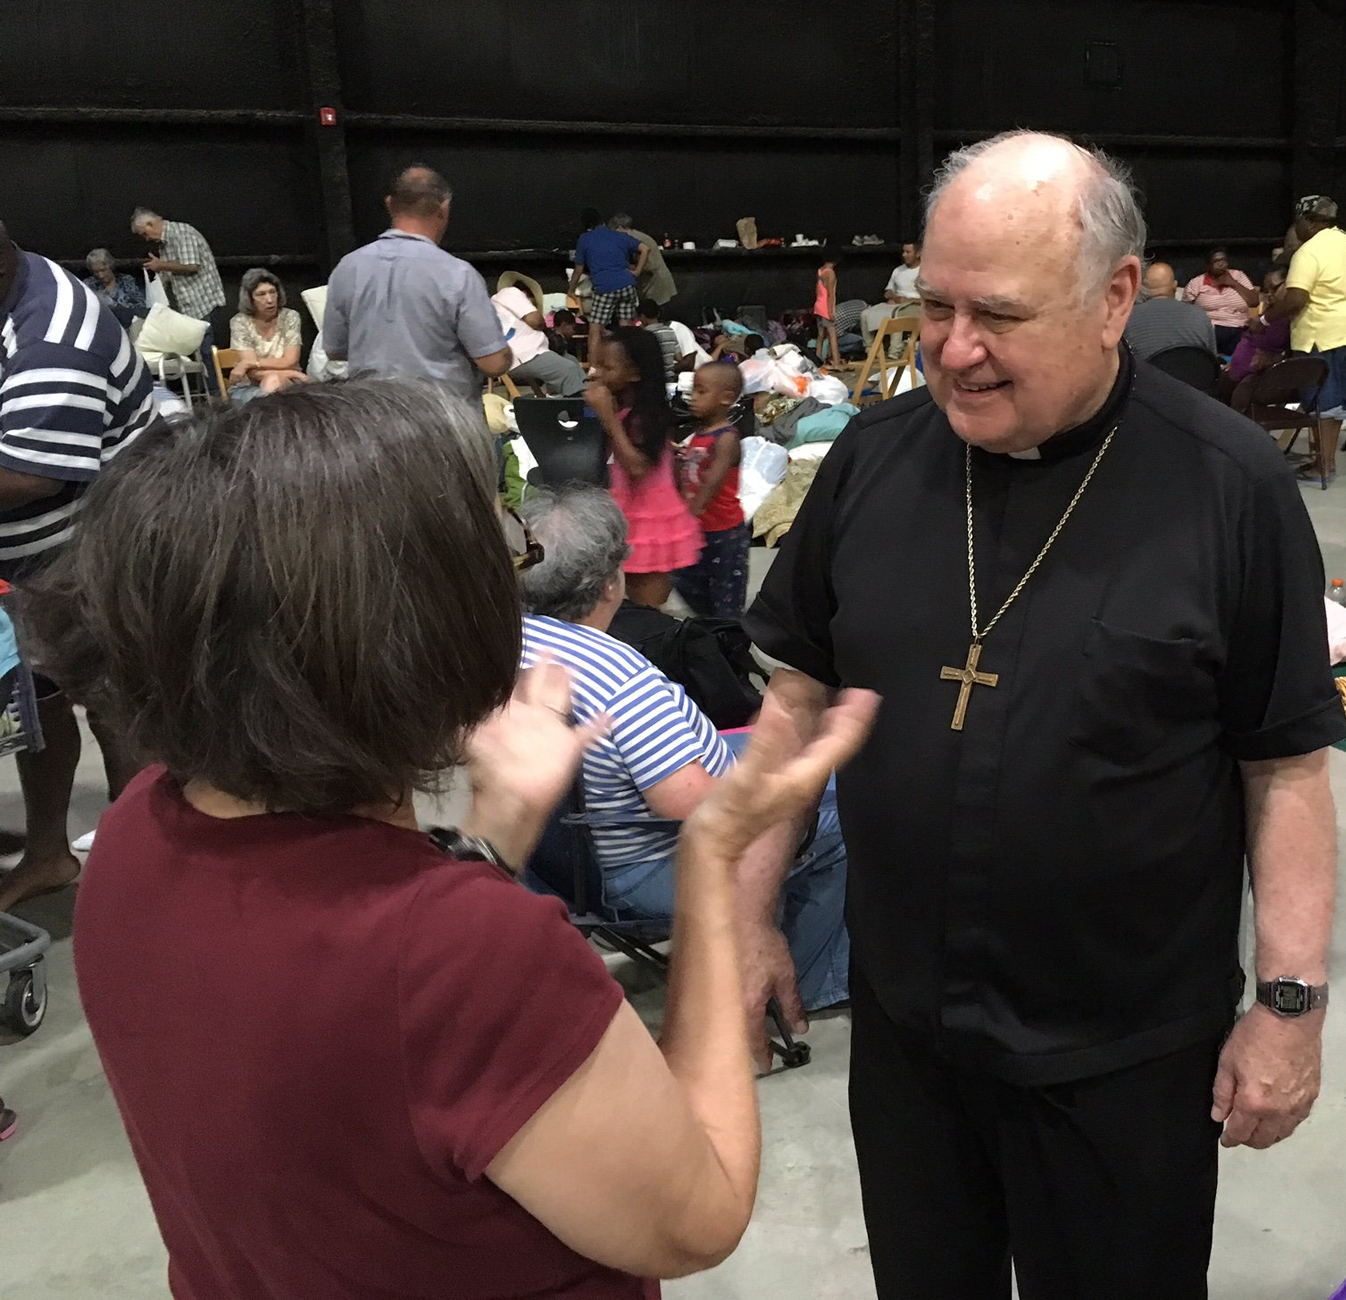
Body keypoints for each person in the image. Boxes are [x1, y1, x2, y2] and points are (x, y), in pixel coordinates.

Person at [33, 377, 875, 1297]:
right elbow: (698, 1212)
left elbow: (362, 1044)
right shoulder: (465, 952)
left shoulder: (135, 833)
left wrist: (492, 843)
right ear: (429, 628)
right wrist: (716, 864)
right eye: (502, 560)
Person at [744, 131, 1344, 1299]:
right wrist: (746, 912)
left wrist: (1288, 1007)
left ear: (1115, 297)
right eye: (936, 306)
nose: (953, 352)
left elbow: (1286, 769)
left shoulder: (1229, 491)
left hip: (1122, 1054)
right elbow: (796, 705)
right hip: (910, 1033)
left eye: (1000, 317)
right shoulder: (871, 463)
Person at [516, 482, 850, 1007]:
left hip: (557, 856)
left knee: (816, 769)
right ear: (610, 582)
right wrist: (785, 782)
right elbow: (688, 801)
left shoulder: (515, 642)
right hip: (638, 866)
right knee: (852, 810)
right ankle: (810, 981)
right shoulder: (617, 674)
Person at [0, 220, 156, 914]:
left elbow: (27, 472)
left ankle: (143, 870)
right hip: (27, 551)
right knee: (38, 698)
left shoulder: (53, 332)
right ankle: (47, 853)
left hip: (96, 537)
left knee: (115, 701)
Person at [321, 166, 512, 411]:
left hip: (370, 420)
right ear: (444, 209)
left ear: (389, 204)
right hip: (444, 422)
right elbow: (494, 364)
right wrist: (508, 352)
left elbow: (336, 351)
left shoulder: (347, 268)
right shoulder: (458, 274)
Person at [585, 326, 700, 606]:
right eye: (595, 364)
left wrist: (609, 419)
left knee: (647, 607)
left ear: (635, 373)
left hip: (651, 518)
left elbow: (638, 468)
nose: (594, 373)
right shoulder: (625, 412)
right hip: (627, 511)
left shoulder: (648, 416)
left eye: (606, 367)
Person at [1266, 194, 1346, 487]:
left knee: (1321, 402)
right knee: (1339, 402)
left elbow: (1297, 298)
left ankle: (1324, 467)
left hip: (1323, 333)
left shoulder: (1308, 252)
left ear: (1308, 221)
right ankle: (1326, 460)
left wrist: (1265, 319)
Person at [673, 363, 751, 619]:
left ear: (726, 398)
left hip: (724, 534)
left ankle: (730, 645)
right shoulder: (697, 435)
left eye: (701, 392)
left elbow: (713, 481)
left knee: (726, 597)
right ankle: (712, 629)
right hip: (698, 530)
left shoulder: (726, 437)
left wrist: (690, 515)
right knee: (684, 581)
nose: (693, 398)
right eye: (693, 391)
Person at [132, 206, 228, 391]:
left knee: (208, 353)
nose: (146, 239)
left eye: (145, 233)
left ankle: (218, 395)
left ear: (151, 224)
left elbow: (192, 266)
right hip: (190, 306)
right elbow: (169, 273)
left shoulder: (182, 233)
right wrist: (158, 281)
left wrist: (162, 265)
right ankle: (208, 394)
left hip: (204, 301)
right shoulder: (165, 244)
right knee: (200, 355)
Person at [572, 214, 650, 365]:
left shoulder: (585, 239)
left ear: (587, 227)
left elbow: (578, 269)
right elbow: (645, 249)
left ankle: (594, 366)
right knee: (626, 328)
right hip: (627, 285)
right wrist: (637, 272)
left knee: (595, 328)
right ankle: (626, 363)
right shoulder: (619, 236)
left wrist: (571, 289)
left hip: (604, 287)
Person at [225, 268, 307, 404]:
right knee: (273, 383)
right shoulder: (239, 322)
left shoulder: (290, 317)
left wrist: (251, 363)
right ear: (249, 299)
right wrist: (294, 373)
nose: (269, 300)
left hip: (291, 385)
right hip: (251, 387)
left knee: (274, 383)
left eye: (272, 292)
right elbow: (253, 374)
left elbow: (290, 360)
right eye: (261, 294)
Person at [492, 280, 584, 396]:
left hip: (523, 354)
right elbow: (536, 321)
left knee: (571, 360)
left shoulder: (500, 306)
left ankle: (582, 399)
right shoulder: (510, 292)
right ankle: (578, 410)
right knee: (568, 369)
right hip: (525, 355)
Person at [1217, 267, 1291, 406]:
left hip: (1263, 373)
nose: (1269, 294)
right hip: (1238, 369)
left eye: (1274, 288)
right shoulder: (1269, 312)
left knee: (1241, 392)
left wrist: (1275, 359)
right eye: (1266, 290)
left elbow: (1288, 352)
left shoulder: (1291, 316)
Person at [1124, 260, 1217, 359]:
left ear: (1143, 289)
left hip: (1142, 374)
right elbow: (1211, 359)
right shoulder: (1200, 316)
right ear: (1174, 285)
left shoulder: (1128, 317)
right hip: (1192, 373)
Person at [1181, 249, 1258, 356]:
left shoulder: (1238, 276)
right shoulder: (1196, 283)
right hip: (1210, 330)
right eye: (1216, 261)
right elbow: (1185, 310)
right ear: (1208, 265)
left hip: (1238, 328)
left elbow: (1254, 302)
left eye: (1224, 260)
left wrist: (1234, 283)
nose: (1221, 264)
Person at [860, 241, 923, 345]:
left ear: (918, 253)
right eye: (903, 252)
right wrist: (893, 296)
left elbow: (929, 299)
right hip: (895, 304)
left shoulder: (924, 271)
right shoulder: (898, 270)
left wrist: (908, 300)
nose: (904, 255)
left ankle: (894, 353)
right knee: (865, 314)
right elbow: (888, 291)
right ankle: (870, 349)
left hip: (915, 306)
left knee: (895, 315)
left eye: (908, 252)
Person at [611, 213, 676, 309]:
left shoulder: (635, 240)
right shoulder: (637, 236)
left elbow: (649, 266)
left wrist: (629, 268)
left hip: (657, 285)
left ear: (620, 228)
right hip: (653, 284)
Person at [81, 248, 148, 327]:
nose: (100, 275)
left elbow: (141, 307)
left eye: (103, 270)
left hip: (129, 325)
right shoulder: (89, 285)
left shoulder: (126, 281)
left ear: (111, 266)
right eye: (96, 272)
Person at [814, 246, 844, 368]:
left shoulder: (820, 271)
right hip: (825, 307)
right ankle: (836, 362)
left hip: (818, 306)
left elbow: (818, 290)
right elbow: (831, 294)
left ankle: (817, 358)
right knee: (832, 334)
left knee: (820, 335)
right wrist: (831, 311)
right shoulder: (830, 273)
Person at [637, 297, 681, 380]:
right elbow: (679, 358)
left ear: (642, 316)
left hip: (654, 379)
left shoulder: (644, 335)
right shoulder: (670, 331)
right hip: (671, 377)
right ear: (658, 314)